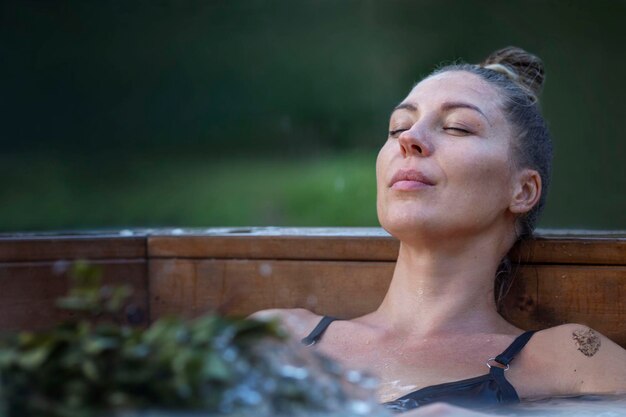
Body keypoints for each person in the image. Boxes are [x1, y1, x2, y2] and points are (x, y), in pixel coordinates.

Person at [252, 47, 626, 414]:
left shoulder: (573, 360)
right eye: (399, 125)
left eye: (457, 127)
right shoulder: (280, 337)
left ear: (523, 190)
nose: (408, 138)